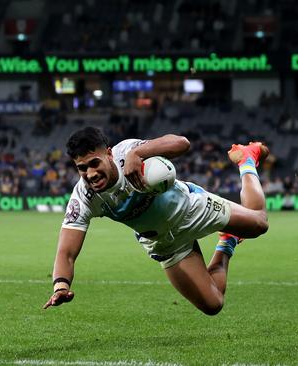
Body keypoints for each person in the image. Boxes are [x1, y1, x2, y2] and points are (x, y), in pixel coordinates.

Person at [42, 127, 269, 315]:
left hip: (191, 208)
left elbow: (181, 143)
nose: (90, 174)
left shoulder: (127, 151)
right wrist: (61, 286)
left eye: (94, 163)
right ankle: (227, 241)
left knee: (259, 223)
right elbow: (66, 252)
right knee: (213, 304)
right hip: (164, 243)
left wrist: (138, 154)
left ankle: (247, 160)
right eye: (82, 168)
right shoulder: (83, 197)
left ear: (109, 154)